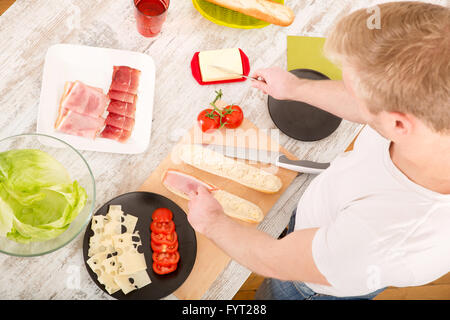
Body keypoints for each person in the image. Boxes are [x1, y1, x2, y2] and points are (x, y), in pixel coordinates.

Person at [187, 1, 450, 300]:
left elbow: (274, 259)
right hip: (323, 214)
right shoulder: (431, 110)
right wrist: (295, 89)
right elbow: (369, 109)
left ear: (399, 124)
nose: (347, 91)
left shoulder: (389, 239)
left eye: (352, 89)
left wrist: (212, 222)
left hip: (307, 288)